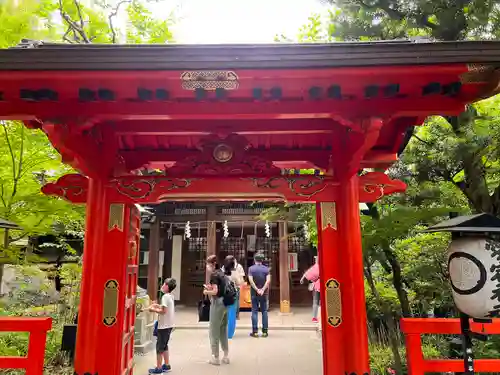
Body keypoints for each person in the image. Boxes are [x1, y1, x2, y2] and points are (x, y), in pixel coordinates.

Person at [204, 255, 232, 365]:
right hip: (225, 303)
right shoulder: (222, 273)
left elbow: (215, 292)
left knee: (214, 330)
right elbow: (220, 288)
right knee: (223, 329)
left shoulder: (214, 275)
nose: (207, 266)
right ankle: (226, 355)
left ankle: (215, 357)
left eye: (208, 264)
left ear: (213, 263)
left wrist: (206, 292)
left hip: (217, 303)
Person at [146, 278, 176, 374]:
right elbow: (165, 308)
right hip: (169, 325)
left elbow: (163, 311)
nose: (162, 285)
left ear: (167, 286)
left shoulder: (165, 297)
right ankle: (166, 365)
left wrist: (152, 310)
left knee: (159, 347)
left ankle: (158, 368)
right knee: (164, 345)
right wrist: (157, 306)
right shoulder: (170, 296)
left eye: (164, 284)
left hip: (163, 326)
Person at [248, 252, 270, 337]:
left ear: (254, 260)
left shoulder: (251, 269)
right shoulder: (266, 269)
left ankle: (255, 331)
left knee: (254, 311)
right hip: (264, 293)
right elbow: (268, 281)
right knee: (264, 311)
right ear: (262, 260)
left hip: (254, 293)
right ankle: (265, 331)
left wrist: (257, 289)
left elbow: (251, 280)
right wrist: (263, 289)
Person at [223, 255, 243, 338]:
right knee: (231, 313)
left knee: (223, 313)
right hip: (232, 294)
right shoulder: (234, 273)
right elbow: (239, 283)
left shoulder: (221, 271)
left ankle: (222, 332)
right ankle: (229, 334)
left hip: (223, 294)